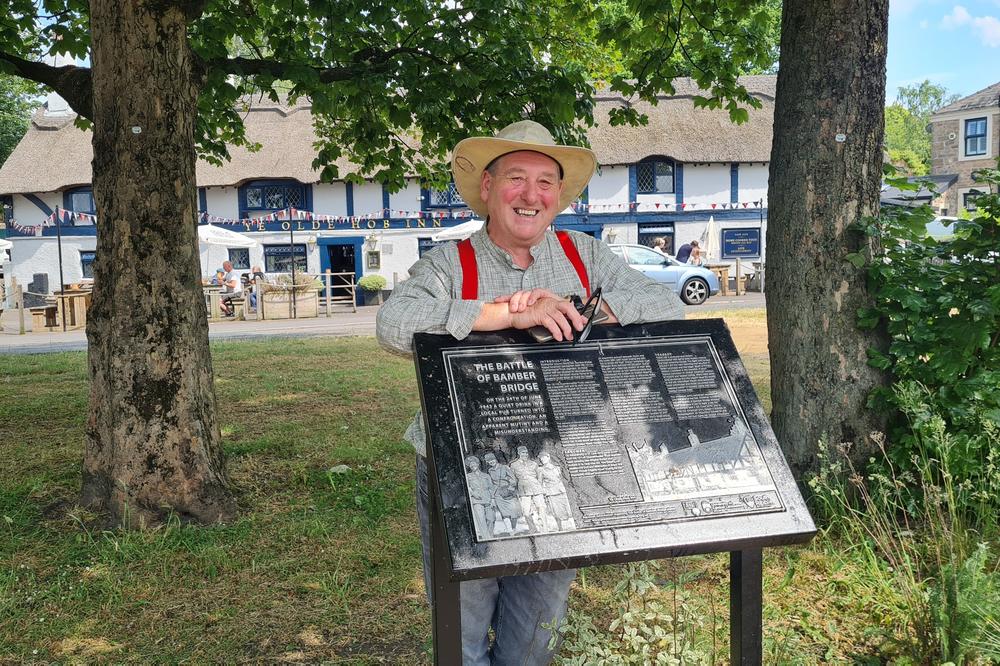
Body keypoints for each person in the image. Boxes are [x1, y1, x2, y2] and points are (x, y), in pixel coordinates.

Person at [375, 119, 684, 665]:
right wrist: (506, 316)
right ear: (488, 189)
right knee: (462, 629)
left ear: (558, 196)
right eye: (516, 178)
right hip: (462, 469)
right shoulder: (450, 263)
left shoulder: (584, 255)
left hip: (561, 470)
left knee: (536, 632)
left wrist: (592, 312)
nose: (531, 195)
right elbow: (395, 325)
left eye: (546, 183)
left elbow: (668, 305)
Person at [509, 445, 548, 533]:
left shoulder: (534, 464)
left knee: (541, 508)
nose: (525, 454)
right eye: (523, 452)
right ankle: (533, 529)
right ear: (518, 453)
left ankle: (544, 529)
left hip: (536, 488)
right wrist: (515, 490)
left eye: (526, 452)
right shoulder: (513, 465)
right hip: (523, 489)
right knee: (526, 511)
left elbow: (539, 476)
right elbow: (513, 479)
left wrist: (541, 486)